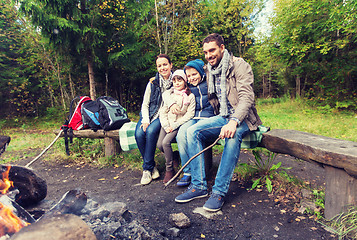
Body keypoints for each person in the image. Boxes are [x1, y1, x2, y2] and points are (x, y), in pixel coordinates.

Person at [175, 33, 262, 211]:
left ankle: (219, 192)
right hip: (223, 115)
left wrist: (234, 121)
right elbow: (193, 82)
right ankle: (198, 187)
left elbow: (247, 98)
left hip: (243, 117)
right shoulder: (209, 69)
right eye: (206, 52)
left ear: (222, 48)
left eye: (212, 50)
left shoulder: (240, 65)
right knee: (193, 131)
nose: (209, 55)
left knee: (232, 135)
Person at [173, 59, 217, 187]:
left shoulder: (210, 82)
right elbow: (171, 92)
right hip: (193, 117)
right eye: (189, 75)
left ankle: (200, 172)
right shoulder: (187, 88)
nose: (192, 78)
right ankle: (188, 172)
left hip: (208, 117)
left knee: (193, 133)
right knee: (181, 135)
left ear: (201, 73)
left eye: (195, 74)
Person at [135, 54, 173, 185]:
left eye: (165, 64)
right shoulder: (152, 83)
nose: (162, 68)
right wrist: (145, 119)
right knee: (139, 133)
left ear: (170, 65)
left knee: (151, 131)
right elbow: (145, 104)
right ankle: (151, 166)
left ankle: (146, 169)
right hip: (149, 113)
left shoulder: (177, 80)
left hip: (162, 116)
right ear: (157, 68)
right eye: (159, 66)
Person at [157, 70, 196, 183]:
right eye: (174, 81)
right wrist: (166, 125)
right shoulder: (170, 95)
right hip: (166, 123)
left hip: (178, 124)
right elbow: (162, 112)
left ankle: (169, 169)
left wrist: (174, 126)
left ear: (185, 81)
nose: (177, 83)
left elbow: (190, 114)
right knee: (160, 144)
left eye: (179, 80)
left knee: (166, 143)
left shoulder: (189, 96)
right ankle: (174, 156)